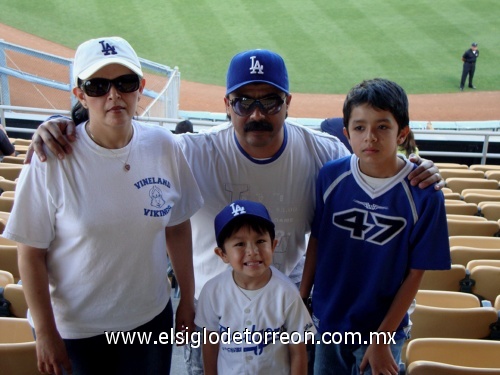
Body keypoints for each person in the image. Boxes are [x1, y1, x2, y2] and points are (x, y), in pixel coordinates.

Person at [27, 49, 444, 375]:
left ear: (288, 102)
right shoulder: (189, 151)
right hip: (215, 313)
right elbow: (125, 142)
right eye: (244, 102)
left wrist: (419, 167)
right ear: (226, 103)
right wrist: (64, 123)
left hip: (288, 312)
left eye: (270, 101)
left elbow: (371, 163)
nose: (257, 113)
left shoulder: (324, 153)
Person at [3, 36, 203, 375]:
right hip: (77, 334)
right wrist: (46, 333)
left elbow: (177, 226)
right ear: (80, 93)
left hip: (149, 321)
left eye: (124, 83)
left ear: (140, 87)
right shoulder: (50, 159)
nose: (113, 95)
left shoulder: (164, 147)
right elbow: (30, 253)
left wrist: (186, 296)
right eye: (97, 85)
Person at [299, 78, 451, 375]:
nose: (370, 137)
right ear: (347, 134)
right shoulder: (330, 177)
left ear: (402, 133)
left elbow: (415, 273)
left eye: (382, 127)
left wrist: (382, 339)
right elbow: (317, 241)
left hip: (384, 328)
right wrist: (301, 299)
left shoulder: (424, 193)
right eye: (359, 128)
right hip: (329, 320)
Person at [196, 199, 314, 375]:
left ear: (273, 245)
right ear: (222, 254)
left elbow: (298, 352)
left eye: (260, 241)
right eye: (240, 244)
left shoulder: (286, 293)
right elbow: (210, 343)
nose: (252, 251)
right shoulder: (212, 292)